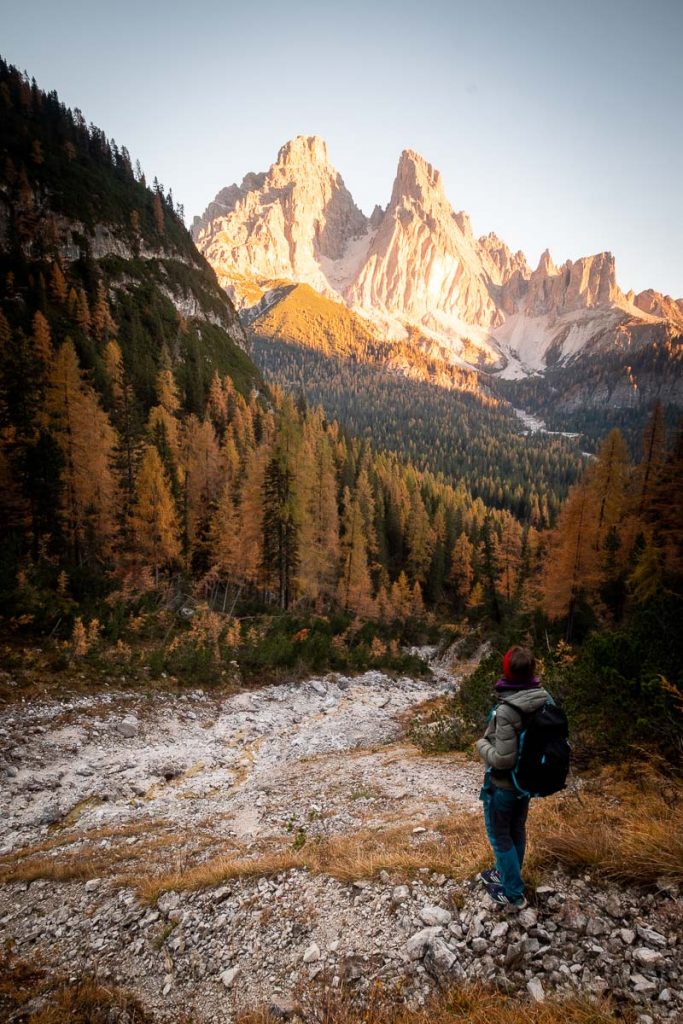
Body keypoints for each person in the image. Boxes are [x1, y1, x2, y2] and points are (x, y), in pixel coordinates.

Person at [475, 645, 552, 909]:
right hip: (527, 781)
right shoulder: (545, 698)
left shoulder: (508, 710)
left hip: (504, 784)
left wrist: (481, 745)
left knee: (499, 835)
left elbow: (503, 759)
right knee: (516, 829)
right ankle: (508, 873)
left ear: (507, 671)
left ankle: (513, 893)